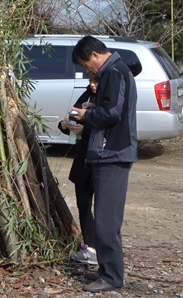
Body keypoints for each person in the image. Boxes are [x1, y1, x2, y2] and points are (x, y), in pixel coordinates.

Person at [71, 35, 138, 293]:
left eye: (86, 65)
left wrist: (88, 114)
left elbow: (112, 113)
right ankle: (105, 270)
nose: (88, 70)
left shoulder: (114, 72)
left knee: (107, 222)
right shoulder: (114, 71)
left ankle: (112, 276)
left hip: (114, 154)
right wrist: (93, 105)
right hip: (108, 153)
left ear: (94, 55)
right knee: (104, 220)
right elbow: (109, 107)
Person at [58, 73, 98, 266]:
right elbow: (73, 115)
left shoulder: (111, 98)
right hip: (83, 158)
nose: (92, 85)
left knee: (102, 208)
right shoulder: (86, 94)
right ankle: (89, 247)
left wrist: (87, 129)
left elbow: (112, 125)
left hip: (101, 159)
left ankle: (101, 248)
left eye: (96, 82)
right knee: (83, 204)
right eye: (90, 81)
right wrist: (66, 125)